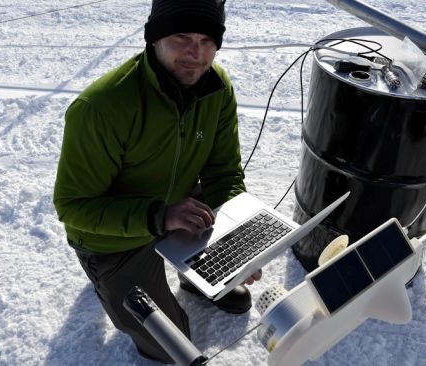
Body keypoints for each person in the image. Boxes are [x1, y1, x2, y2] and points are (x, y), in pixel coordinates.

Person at [53, 0, 261, 363]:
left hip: (180, 206)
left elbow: (223, 174)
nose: (195, 53)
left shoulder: (217, 88)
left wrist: (238, 241)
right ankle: (110, 282)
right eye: (181, 36)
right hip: (111, 239)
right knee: (172, 346)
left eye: (207, 40)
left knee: (216, 240)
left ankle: (195, 272)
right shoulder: (100, 107)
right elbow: (73, 208)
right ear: (154, 37)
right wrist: (160, 217)